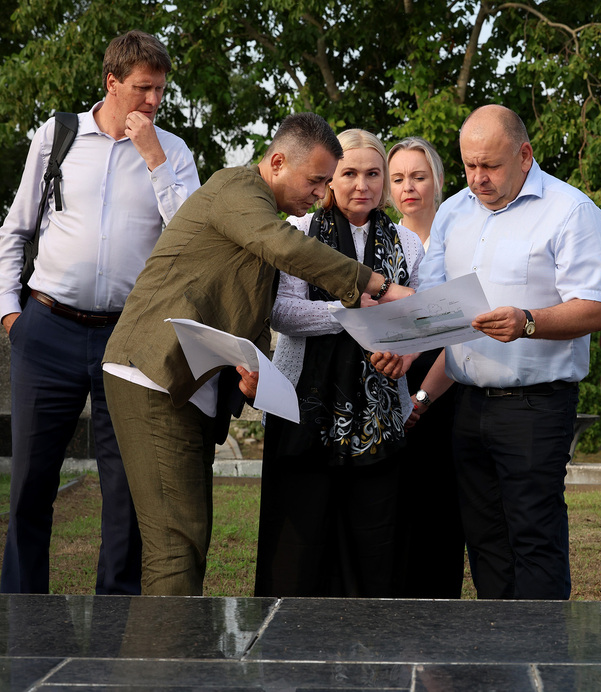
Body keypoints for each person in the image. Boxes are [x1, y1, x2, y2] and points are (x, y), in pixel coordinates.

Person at [101, 113, 413, 596]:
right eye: (317, 180)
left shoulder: (265, 215)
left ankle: (172, 661)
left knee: (188, 541)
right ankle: (166, 669)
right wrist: (377, 285)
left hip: (189, 384)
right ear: (278, 161)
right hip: (153, 373)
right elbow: (287, 249)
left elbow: (248, 313)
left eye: (327, 182)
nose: (320, 193)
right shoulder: (238, 190)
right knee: (175, 549)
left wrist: (256, 376)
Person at [375, 104, 601, 600]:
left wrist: (529, 321)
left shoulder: (571, 211)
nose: (478, 178)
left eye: (491, 165)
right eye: (469, 165)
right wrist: (404, 350)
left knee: (532, 536)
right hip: (467, 403)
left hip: (536, 405)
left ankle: (541, 663)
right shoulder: (455, 213)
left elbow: (593, 309)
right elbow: (437, 304)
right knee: (484, 542)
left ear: (524, 155)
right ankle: (498, 661)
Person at [0, 31, 200, 595]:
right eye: (143, 88)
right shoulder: (57, 135)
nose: (154, 101)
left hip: (128, 337)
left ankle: (118, 621)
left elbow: (191, 238)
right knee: (31, 486)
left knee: (127, 489)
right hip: (45, 329)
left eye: (161, 89)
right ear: (111, 82)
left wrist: (155, 159)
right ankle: (22, 619)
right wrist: (11, 316)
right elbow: (15, 229)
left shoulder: (174, 152)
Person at [253, 129, 424, 597]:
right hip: (302, 411)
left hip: (382, 413)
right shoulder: (300, 232)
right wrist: (349, 314)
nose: (361, 185)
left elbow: (419, 319)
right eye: (348, 173)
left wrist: (403, 348)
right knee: (299, 547)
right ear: (330, 178)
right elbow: (282, 313)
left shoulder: (407, 245)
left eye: (373, 174)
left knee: (374, 545)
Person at [386, 136, 466, 598]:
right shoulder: (382, 241)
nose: (408, 187)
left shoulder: (458, 240)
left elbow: (458, 325)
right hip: (389, 382)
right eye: (398, 178)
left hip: (447, 387)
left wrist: (422, 399)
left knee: (440, 512)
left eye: (419, 176)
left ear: (438, 181)